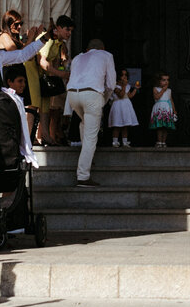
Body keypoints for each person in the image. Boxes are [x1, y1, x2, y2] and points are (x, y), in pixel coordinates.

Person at [65, 38, 116, 187]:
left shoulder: (77, 57)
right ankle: (83, 176)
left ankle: (87, 155)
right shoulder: (106, 55)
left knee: (84, 124)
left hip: (73, 94)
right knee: (90, 137)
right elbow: (111, 84)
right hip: (92, 94)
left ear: (88, 49)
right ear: (102, 48)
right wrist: (103, 101)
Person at [37, 14, 74, 145]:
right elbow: (42, 61)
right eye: (67, 30)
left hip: (44, 77)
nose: (69, 33)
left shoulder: (59, 43)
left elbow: (54, 63)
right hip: (36, 74)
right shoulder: (50, 39)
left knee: (46, 108)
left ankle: (45, 136)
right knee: (36, 107)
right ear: (58, 28)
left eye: (71, 31)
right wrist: (61, 74)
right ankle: (39, 137)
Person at [2, 64, 38, 168]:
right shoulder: (9, 99)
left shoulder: (17, 98)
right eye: (20, 81)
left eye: (25, 81)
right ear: (9, 82)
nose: (23, 84)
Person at [109, 68, 139, 147]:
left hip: (126, 106)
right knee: (117, 124)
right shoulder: (115, 86)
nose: (124, 77)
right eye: (122, 75)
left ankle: (125, 142)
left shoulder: (127, 86)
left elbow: (129, 96)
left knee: (125, 125)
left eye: (126, 75)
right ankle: (115, 141)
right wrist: (124, 86)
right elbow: (121, 95)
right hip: (118, 106)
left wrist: (135, 88)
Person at [149, 71, 177, 148]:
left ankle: (164, 142)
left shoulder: (169, 90)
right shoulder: (155, 89)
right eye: (164, 80)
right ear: (159, 81)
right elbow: (156, 97)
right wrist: (163, 90)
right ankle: (159, 141)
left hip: (167, 109)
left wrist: (174, 110)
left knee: (166, 127)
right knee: (160, 126)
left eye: (167, 80)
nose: (166, 82)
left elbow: (171, 100)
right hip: (159, 109)